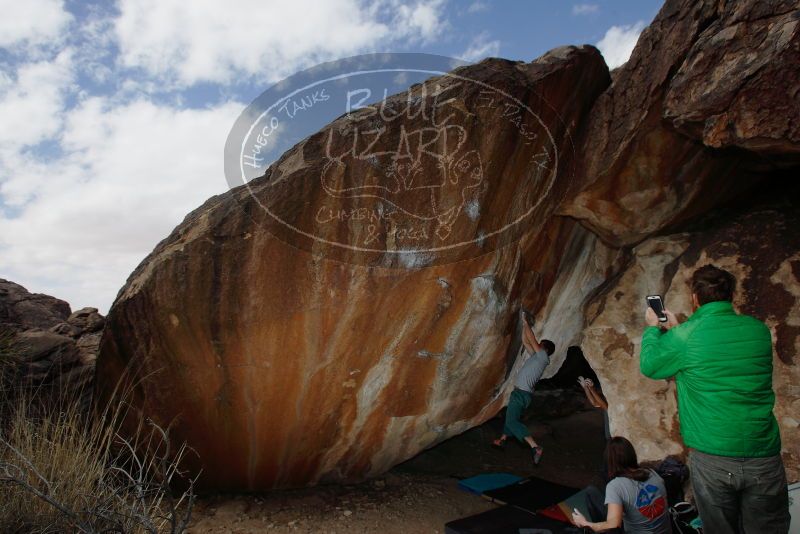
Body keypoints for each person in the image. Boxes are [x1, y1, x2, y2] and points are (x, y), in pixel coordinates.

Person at [639, 264, 790, 533]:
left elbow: (651, 365)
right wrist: (678, 331)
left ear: (695, 298)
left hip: (713, 458)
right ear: (730, 295)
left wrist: (653, 328)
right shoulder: (758, 330)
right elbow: (717, 353)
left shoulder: (686, 336)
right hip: (763, 453)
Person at [491, 309, 555, 465]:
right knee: (510, 417)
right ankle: (503, 439)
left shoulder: (542, 357)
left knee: (512, 422)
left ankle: (535, 446)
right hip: (523, 395)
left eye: (540, 345)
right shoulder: (537, 358)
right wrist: (522, 327)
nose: (537, 345)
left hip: (521, 394)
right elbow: (527, 342)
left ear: (544, 348)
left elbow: (532, 340)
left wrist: (526, 322)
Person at [572, 437, 672, 533]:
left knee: (591, 492)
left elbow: (613, 526)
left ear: (609, 462)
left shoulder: (615, 486)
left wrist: (585, 524)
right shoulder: (652, 473)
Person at [578, 376, 610, 441]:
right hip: (609, 437)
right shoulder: (606, 401)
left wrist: (591, 388)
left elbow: (604, 406)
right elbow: (594, 403)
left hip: (613, 437)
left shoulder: (612, 403)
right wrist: (586, 388)